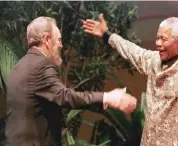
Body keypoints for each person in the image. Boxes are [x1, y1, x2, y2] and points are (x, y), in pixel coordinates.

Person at [83, 14, 178, 145]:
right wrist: (107, 35)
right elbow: (131, 50)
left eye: (163, 39)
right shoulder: (153, 60)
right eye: (157, 38)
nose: (158, 43)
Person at [4, 16, 137, 146]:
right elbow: (64, 96)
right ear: (47, 39)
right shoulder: (42, 64)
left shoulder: (19, 66)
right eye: (59, 40)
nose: (61, 46)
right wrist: (107, 97)